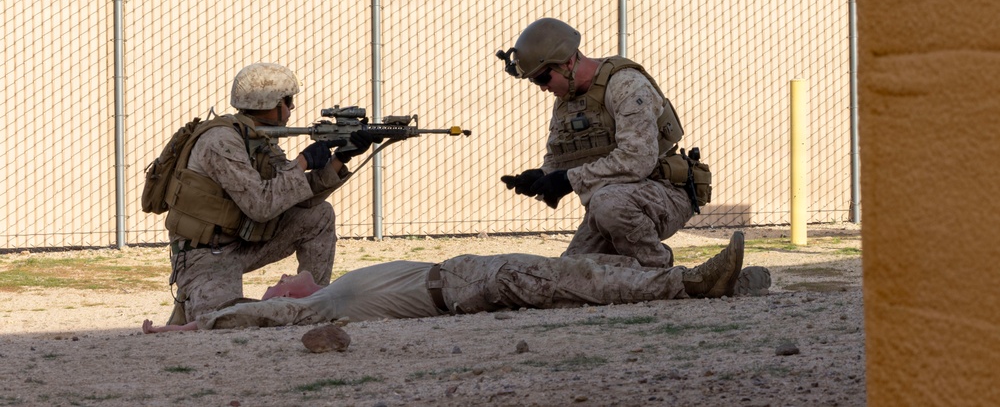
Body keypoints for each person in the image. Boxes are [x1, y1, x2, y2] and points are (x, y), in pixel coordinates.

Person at [143, 231, 749, 333]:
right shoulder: (314, 310)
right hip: (463, 288)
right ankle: (692, 285)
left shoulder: (331, 293)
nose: (281, 280)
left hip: (463, 273)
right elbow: (246, 316)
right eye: (277, 285)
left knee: (577, 275)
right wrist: (189, 327)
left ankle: (700, 281)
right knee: (579, 279)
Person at [162, 62, 375, 325]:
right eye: (288, 101)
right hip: (206, 255)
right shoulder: (220, 141)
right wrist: (303, 162)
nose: (292, 108)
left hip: (243, 241)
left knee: (319, 216)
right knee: (222, 323)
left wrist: (339, 160)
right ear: (271, 103)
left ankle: (312, 307)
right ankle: (192, 298)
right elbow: (261, 205)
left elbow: (290, 196)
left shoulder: (257, 140)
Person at [496, 18, 707, 269]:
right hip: (614, 199)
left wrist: (567, 180)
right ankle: (631, 273)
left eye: (543, 78)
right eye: (535, 82)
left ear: (568, 63)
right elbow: (560, 157)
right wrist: (541, 177)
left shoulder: (626, 85)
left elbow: (637, 160)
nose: (543, 88)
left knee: (607, 203)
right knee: (573, 270)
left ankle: (659, 269)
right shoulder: (565, 101)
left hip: (664, 191)